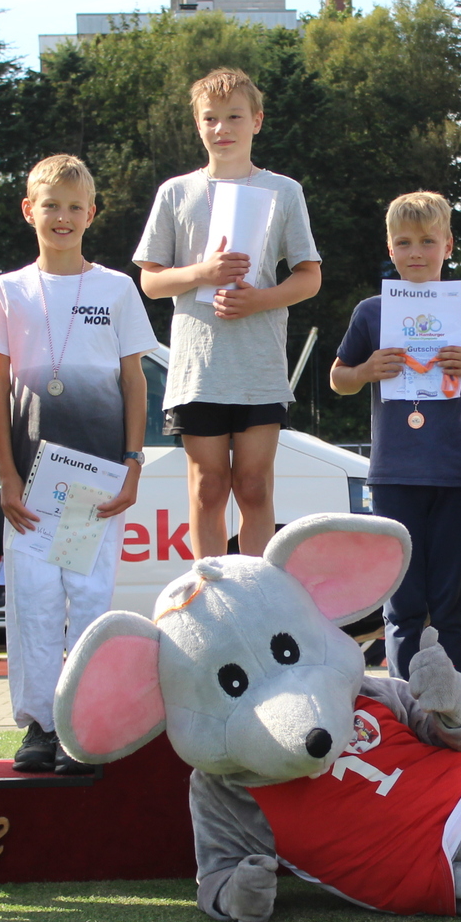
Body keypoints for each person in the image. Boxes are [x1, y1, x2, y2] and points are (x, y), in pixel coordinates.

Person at [0, 154, 154, 771]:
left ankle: (83, 725)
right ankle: (39, 728)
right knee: (35, 606)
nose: (63, 217)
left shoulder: (116, 288)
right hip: (29, 485)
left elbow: (134, 381)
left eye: (75, 207)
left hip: (92, 483)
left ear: (92, 214)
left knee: (87, 602)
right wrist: (4, 473)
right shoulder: (8, 290)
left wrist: (132, 464)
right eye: (51, 205)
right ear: (29, 210)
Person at [134, 66, 322, 558]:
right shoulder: (176, 192)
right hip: (198, 371)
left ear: (256, 121)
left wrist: (259, 299)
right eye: (211, 118)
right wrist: (202, 273)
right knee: (208, 488)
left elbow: (310, 277)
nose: (223, 129)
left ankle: (259, 599)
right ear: (198, 124)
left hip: (258, 367)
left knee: (255, 487)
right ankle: (211, 597)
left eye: (234, 116)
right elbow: (150, 281)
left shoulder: (284, 191)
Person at [329, 191, 461, 676]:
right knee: (403, 606)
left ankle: (454, 714)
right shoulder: (371, 311)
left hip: (453, 476)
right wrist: (366, 369)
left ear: (448, 245)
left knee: (448, 606)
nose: (416, 253)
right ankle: (407, 712)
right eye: (404, 243)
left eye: (428, 242)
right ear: (390, 248)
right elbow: (337, 379)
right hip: (393, 478)